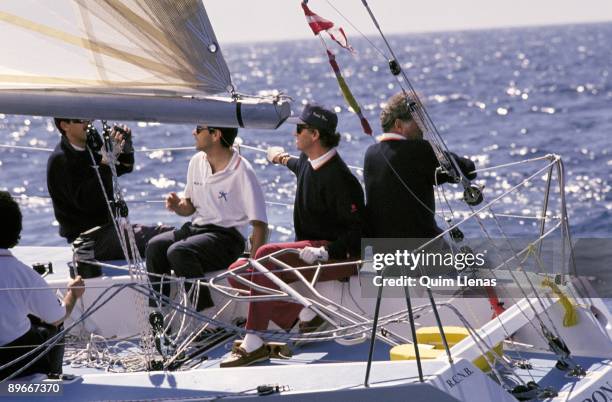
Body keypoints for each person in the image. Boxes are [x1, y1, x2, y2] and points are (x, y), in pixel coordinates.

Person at [221, 104, 365, 367]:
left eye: (299, 130)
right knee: (236, 271)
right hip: (310, 254)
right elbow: (296, 165)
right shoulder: (310, 164)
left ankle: (254, 342)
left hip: (338, 257)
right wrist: (278, 157)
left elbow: (359, 232)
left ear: (315, 135)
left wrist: (325, 252)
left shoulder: (341, 178)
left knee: (263, 255)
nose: (294, 134)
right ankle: (302, 316)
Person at [145, 125, 268, 312]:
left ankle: (207, 321)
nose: (194, 133)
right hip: (197, 229)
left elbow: (260, 225)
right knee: (155, 246)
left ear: (216, 135)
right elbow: (190, 206)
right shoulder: (196, 161)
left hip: (228, 238)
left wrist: (253, 269)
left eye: (199, 129)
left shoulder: (243, 171)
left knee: (179, 252)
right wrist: (179, 206)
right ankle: (159, 316)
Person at [47, 118, 171, 261]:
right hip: (89, 241)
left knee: (165, 234)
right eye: (81, 120)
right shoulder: (60, 161)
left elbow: (120, 169)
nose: (88, 123)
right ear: (65, 126)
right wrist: (105, 162)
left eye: (88, 118)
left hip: (110, 230)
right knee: (162, 240)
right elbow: (88, 202)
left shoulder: (91, 143)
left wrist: (125, 148)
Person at [363, 92, 476, 239]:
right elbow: (467, 170)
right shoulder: (419, 150)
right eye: (418, 121)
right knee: (480, 261)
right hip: (420, 250)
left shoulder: (370, 154)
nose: (423, 128)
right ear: (398, 125)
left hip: (383, 251)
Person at [0, 191, 85, 381]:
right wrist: (73, 293)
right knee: (51, 327)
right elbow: (57, 317)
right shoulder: (21, 274)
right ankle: (49, 383)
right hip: (13, 366)